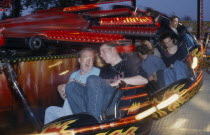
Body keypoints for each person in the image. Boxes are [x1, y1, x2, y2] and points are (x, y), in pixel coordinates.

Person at [65, 42, 148, 121]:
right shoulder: (103, 71)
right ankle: (84, 120)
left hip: (118, 102)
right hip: (102, 104)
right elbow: (95, 91)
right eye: (100, 52)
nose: (101, 55)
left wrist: (120, 81)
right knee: (71, 86)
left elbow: (144, 79)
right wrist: (79, 84)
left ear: (114, 50)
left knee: (92, 78)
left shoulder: (128, 64)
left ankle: (93, 122)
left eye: (103, 51)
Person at [44, 48, 100, 124]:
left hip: (83, 110)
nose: (89, 61)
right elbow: (67, 98)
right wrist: (61, 90)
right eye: (86, 58)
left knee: (72, 85)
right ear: (79, 60)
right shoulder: (74, 75)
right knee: (50, 111)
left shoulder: (97, 72)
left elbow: (95, 93)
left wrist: (76, 84)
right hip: (68, 111)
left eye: (91, 59)